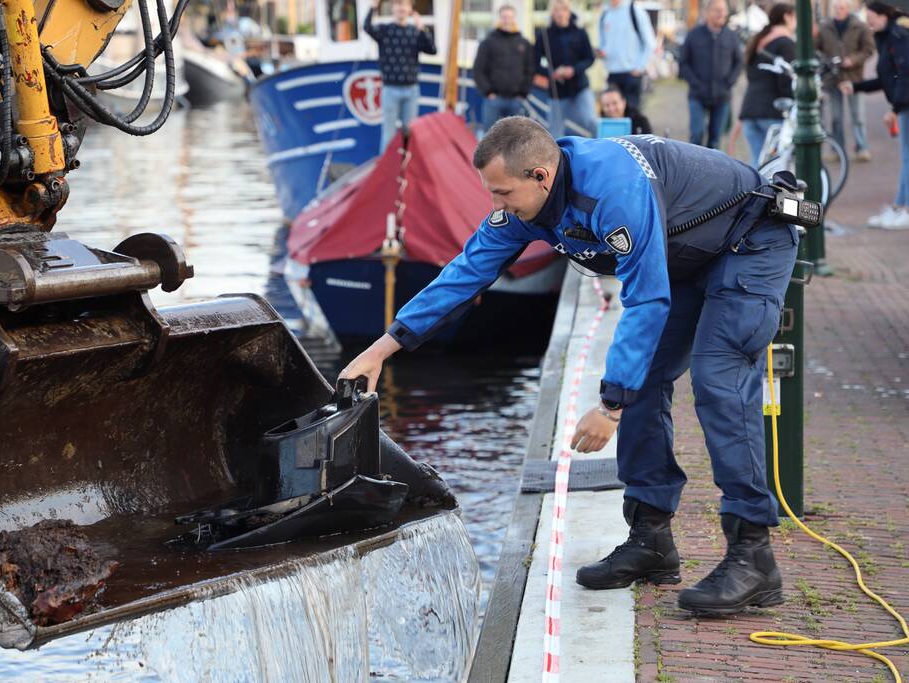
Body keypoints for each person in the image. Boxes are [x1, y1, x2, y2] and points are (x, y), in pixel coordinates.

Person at [340, 116, 797, 616]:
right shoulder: (523, 205)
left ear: (541, 176)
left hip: (749, 241)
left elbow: (644, 301)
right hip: (687, 257)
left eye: (503, 193)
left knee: (719, 381)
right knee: (642, 380)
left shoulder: (613, 192)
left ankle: (753, 554)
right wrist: (382, 348)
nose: (497, 207)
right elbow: (465, 272)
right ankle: (651, 539)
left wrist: (610, 406)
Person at [842, 2, 909, 229]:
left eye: (870, 17)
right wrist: (856, 86)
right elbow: (886, 79)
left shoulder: (898, 34)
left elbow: (905, 74)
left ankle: (904, 210)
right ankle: (900, 206)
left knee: (907, 158)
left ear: (883, 16)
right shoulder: (885, 36)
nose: (867, 22)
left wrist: (895, 108)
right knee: (906, 158)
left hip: (905, 105)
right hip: (903, 105)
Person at [363, 0, 437, 153]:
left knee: (409, 133)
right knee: (388, 134)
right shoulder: (384, 30)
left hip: (411, 90)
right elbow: (367, 27)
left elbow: (432, 50)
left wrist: (422, 28)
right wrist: (373, 7)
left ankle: (406, 169)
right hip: (390, 89)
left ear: (409, 9)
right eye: (398, 4)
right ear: (393, 8)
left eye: (404, 5)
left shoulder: (415, 32)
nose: (401, 8)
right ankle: (386, 171)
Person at [678, 0, 744, 148]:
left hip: (722, 96)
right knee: (697, 134)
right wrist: (695, 83)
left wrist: (729, 82)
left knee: (715, 139)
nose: (721, 14)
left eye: (723, 10)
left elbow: (739, 62)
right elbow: (683, 63)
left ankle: (711, 170)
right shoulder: (693, 35)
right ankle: (693, 168)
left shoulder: (731, 36)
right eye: (717, 10)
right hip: (697, 95)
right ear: (707, 13)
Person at [738, 3, 796, 165]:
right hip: (772, 111)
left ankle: (753, 190)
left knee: (758, 163)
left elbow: (752, 75)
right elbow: (787, 79)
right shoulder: (785, 43)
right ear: (787, 17)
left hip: (750, 110)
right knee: (776, 165)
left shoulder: (759, 42)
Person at [817, 0, 876, 162]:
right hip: (832, 79)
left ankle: (862, 148)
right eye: (835, 8)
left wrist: (853, 60)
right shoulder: (825, 26)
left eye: (841, 8)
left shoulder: (860, 26)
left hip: (853, 78)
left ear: (848, 9)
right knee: (835, 117)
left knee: (857, 116)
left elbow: (869, 49)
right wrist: (826, 61)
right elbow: (817, 48)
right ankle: (837, 150)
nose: (838, 11)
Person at [533, 0, 597, 137]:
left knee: (591, 121)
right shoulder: (543, 35)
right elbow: (534, 64)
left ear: (569, 12)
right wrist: (552, 73)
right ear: (552, 13)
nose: (560, 14)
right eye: (556, 10)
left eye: (563, 10)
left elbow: (590, 58)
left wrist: (574, 70)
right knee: (555, 131)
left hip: (580, 87)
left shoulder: (580, 33)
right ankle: (558, 158)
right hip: (557, 91)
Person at [474, 5, 534, 132]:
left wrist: (523, 93)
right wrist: (488, 92)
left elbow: (530, 69)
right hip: (494, 100)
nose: (507, 20)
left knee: (515, 138)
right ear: (499, 19)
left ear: (514, 19)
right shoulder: (488, 42)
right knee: (489, 138)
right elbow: (478, 69)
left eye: (510, 17)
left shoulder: (524, 43)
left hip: (516, 100)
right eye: (504, 17)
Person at [597, 0, 656, 109]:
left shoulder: (635, 10)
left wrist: (639, 67)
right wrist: (601, 53)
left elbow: (650, 43)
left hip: (631, 74)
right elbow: (603, 44)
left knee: (632, 114)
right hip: (612, 74)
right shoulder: (605, 14)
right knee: (612, 116)